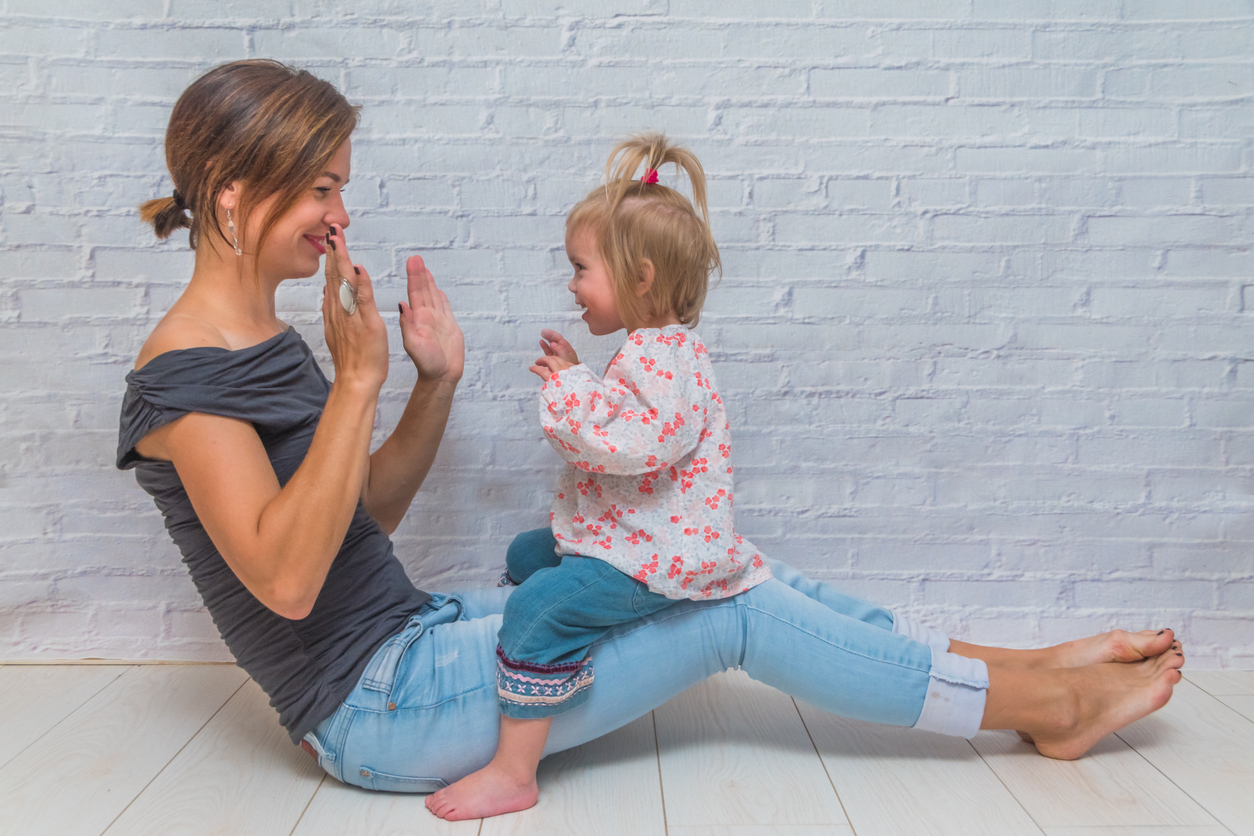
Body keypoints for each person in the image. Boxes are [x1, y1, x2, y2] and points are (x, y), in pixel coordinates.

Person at [117, 59, 1185, 821]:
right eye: (322, 188)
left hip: (412, 639)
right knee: (729, 610)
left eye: (340, 189)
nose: (340, 215)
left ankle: (1014, 666)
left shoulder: (259, 339)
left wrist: (433, 385)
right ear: (234, 196)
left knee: (713, 561)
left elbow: (361, 521)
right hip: (378, 709)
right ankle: (1045, 704)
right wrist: (356, 381)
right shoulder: (185, 381)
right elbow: (290, 583)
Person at [426, 135, 774, 820]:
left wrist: (569, 389)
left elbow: (628, 446)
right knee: (529, 555)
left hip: (656, 556)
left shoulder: (661, 358)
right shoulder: (654, 350)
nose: (572, 284)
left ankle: (514, 768)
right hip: (636, 535)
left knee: (537, 605)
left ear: (638, 278)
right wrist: (582, 373)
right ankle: (538, 668)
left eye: (581, 268)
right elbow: (631, 421)